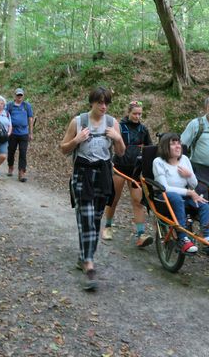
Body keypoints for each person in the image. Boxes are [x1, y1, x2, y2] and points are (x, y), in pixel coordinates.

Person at [60, 87, 125, 291]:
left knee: (95, 219)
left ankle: (83, 257)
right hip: (83, 173)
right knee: (85, 218)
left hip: (103, 174)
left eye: (106, 103)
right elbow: (63, 149)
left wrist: (117, 138)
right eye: (99, 102)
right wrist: (76, 140)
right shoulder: (78, 122)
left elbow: (121, 152)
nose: (103, 106)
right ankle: (89, 264)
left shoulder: (112, 123)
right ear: (92, 103)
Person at [152, 133, 209, 256]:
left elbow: (193, 184)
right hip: (164, 197)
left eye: (179, 143)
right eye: (173, 143)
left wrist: (189, 175)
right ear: (165, 146)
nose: (178, 146)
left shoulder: (185, 160)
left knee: (203, 203)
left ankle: (207, 236)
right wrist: (189, 192)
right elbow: (165, 188)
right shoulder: (158, 162)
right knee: (177, 198)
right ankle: (183, 238)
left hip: (184, 195)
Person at [102, 100, 153, 247]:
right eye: (135, 113)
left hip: (136, 169)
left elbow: (149, 147)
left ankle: (141, 234)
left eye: (140, 114)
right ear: (128, 113)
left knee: (138, 201)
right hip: (119, 167)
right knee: (114, 199)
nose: (137, 116)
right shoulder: (120, 126)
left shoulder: (143, 129)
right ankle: (108, 226)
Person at [6, 88, 34, 182]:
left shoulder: (27, 106)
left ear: (23, 96)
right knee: (11, 151)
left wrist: (31, 133)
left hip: (24, 133)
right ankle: (10, 167)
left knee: (23, 153)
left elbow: (30, 119)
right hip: (12, 133)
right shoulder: (10, 105)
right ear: (15, 96)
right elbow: (5, 117)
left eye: (21, 95)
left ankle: (21, 173)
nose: (19, 97)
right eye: (18, 95)